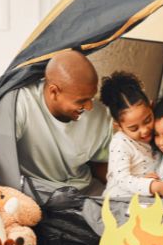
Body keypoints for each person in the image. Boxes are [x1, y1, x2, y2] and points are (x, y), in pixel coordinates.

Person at [14, 49, 111, 195]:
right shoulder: (22, 104)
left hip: (84, 192)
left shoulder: (101, 115)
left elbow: (102, 164)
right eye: (81, 100)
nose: (89, 107)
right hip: (37, 194)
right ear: (54, 92)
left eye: (91, 98)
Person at [100, 71, 163, 199]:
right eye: (134, 128)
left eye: (147, 120)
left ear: (151, 105)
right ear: (118, 126)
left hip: (147, 198)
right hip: (119, 201)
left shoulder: (158, 131)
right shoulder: (121, 143)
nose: (144, 131)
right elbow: (123, 179)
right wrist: (154, 186)